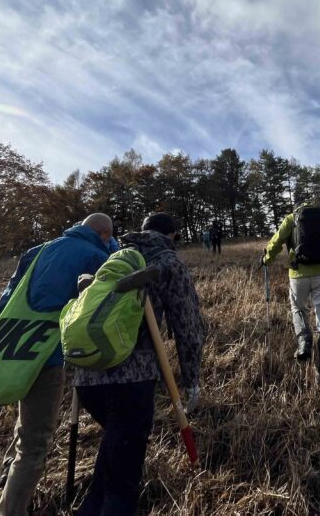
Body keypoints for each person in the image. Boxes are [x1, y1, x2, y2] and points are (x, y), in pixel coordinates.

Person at [73, 212, 205, 516]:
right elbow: (188, 327)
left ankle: (91, 506)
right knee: (122, 482)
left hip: (87, 374)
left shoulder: (112, 257)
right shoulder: (168, 263)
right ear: (171, 236)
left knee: (115, 447)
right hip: (131, 379)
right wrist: (192, 380)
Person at [0, 213, 116, 516]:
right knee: (34, 445)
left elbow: (7, 297)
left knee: (26, 422)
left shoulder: (39, 250)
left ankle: (6, 476)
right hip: (47, 353)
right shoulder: (94, 256)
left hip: (14, 344)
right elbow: (100, 308)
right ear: (104, 234)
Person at [262, 202, 320, 383]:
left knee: (298, 309)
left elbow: (276, 242)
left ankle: (304, 343)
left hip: (298, 274)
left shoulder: (291, 219)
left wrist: (266, 259)